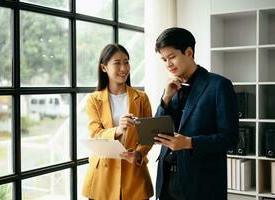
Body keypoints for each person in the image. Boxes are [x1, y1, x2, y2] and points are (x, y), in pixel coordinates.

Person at [153, 27, 239, 200]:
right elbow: (157, 130)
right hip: (167, 180)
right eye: (163, 60)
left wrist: (189, 143)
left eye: (172, 57)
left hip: (201, 183)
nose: (168, 64)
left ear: (189, 52)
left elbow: (230, 138)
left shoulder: (219, 85)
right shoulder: (171, 87)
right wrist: (166, 98)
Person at [82, 44, 154, 200]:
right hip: (103, 176)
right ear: (104, 67)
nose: (124, 68)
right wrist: (118, 130)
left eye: (126, 62)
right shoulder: (94, 100)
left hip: (133, 175)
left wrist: (139, 154)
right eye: (117, 63)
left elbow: (148, 135)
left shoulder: (142, 98)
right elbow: (95, 134)